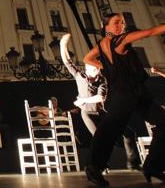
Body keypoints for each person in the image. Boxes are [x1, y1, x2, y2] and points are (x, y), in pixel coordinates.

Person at [83, 11, 165, 187]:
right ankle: (93, 167)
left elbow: (87, 58)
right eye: (116, 23)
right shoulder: (121, 40)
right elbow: (151, 32)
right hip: (124, 94)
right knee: (110, 128)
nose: (121, 25)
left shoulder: (103, 44)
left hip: (136, 93)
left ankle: (153, 167)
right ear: (106, 27)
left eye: (122, 22)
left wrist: (107, 68)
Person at [60, 33, 142, 170]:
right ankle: (99, 165)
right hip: (88, 114)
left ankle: (133, 162)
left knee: (128, 133)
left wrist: (82, 100)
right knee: (99, 137)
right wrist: (63, 45)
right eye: (89, 67)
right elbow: (67, 62)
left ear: (97, 69)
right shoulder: (80, 76)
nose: (91, 69)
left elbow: (100, 98)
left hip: (103, 112)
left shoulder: (102, 81)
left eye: (94, 68)